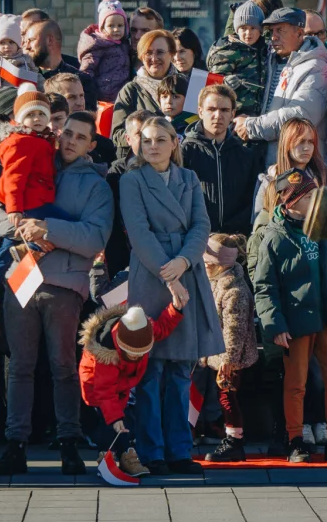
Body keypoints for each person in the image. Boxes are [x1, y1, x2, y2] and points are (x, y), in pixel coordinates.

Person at [0, 112, 111, 477]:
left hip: (64, 285)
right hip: (21, 278)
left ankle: (69, 443)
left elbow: (94, 238)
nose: (70, 141)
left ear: (91, 144)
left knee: (63, 367)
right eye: (66, 133)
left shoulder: (96, 185)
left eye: (80, 137)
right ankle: (15, 445)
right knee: (19, 367)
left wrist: (47, 228)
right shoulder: (33, 155)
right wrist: (24, 226)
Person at [119, 116, 225, 476]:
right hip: (151, 276)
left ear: (174, 142)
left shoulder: (189, 178)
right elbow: (139, 232)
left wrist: (183, 261)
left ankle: (180, 450)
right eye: (146, 140)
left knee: (181, 369)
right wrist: (170, 275)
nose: (152, 146)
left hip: (187, 269)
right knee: (150, 370)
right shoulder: (132, 180)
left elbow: (201, 225)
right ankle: (152, 452)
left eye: (159, 140)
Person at [254, 169, 327, 462]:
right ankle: (295, 441)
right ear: (291, 200)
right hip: (296, 323)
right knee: (296, 383)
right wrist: (274, 325)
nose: (315, 200)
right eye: (308, 196)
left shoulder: (325, 230)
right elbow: (264, 287)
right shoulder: (273, 236)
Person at [0, 89, 64, 329]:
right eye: (31, 115)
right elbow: (14, 179)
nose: (37, 119)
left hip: (35, 201)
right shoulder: (22, 142)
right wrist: (14, 210)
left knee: (5, 254)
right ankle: (27, 253)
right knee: (69, 225)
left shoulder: (40, 139)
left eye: (42, 114)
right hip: (28, 205)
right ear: (19, 119)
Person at [79, 295, 185, 479]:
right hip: (97, 388)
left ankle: (125, 453)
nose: (137, 357)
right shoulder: (107, 353)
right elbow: (104, 391)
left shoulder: (145, 331)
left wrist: (175, 309)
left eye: (141, 354)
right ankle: (110, 455)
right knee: (110, 423)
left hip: (122, 386)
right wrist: (114, 418)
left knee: (125, 419)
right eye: (132, 354)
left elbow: (161, 329)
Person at [232, 7, 327, 172]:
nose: (274, 37)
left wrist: (251, 126)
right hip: (272, 167)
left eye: (280, 30)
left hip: (301, 171)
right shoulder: (272, 61)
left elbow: (300, 116)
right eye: (272, 31)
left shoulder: (316, 68)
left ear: (300, 33)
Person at [201, 234, 258, 462]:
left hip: (230, 357)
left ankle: (235, 441)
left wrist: (228, 360)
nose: (204, 267)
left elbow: (234, 329)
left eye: (208, 264)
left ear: (219, 265)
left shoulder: (234, 291)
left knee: (227, 396)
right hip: (218, 354)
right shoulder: (218, 283)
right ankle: (230, 434)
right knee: (223, 396)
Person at [181, 84, 259, 234]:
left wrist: (235, 234)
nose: (218, 115)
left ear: (232, 114)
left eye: (224, 110)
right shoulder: (184, 152)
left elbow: (251, 201)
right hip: (196, 238)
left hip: (237, 241)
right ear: (200, 111)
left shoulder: (246, 155)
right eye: (211, 109)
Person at [111, 29, 177, 158]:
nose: (154, 58)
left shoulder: (186, 87)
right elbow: (117, 135)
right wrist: (145, 136)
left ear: (172, 54)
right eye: (148, 53)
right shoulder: (130, 91)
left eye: (160, 52)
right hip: (142, 163)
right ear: (141, 56)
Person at [104, 109, 154, 279]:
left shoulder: (174, 168)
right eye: (140, 134)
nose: (147, 140)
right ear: (128, 138)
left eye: (151, 133)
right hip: (125, 258)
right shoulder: (117, 172)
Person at [206, 0, 268, 117]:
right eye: (243, 28)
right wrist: (224, 81)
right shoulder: (227, 51)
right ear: (236, 29)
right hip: (233, 117)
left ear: (260, 30)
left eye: (253, 28)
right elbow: (212, 85)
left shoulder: (264, 50)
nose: (248, 33)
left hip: (259, 115)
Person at [25, 19, 99, 110]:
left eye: (31, 40)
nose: (27, 46)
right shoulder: (26, 78)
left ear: (49, 40)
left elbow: (87, 119)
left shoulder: (82, 80)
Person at [43, 73, 115, 163]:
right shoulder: (41, 145)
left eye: (81, 96)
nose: (80, 103)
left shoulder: (104, 146)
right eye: (71, 97)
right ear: (56, 100)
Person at [78, 0, 131, 102]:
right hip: (103, 97)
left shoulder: (124, 44)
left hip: (123, 95)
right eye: (111, 26)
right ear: (102, 27)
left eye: (120, 25)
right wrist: (91, 94)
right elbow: (87, 71)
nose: (116, 29)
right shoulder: (97, 46)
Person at [0, 13, 37, 100]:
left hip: (25, 100)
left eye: (11, 42)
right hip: (3, 103)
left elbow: (37, 77)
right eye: (2, 43)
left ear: (18, 44)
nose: (7, 46)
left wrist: (44, 89)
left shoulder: (27, 60)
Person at [157, 73, 197, 137]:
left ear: (187, 100)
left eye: (175, 97)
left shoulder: (194, 127)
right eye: (164, 97)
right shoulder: (154, 124)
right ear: (159, 100)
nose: (169, 101)